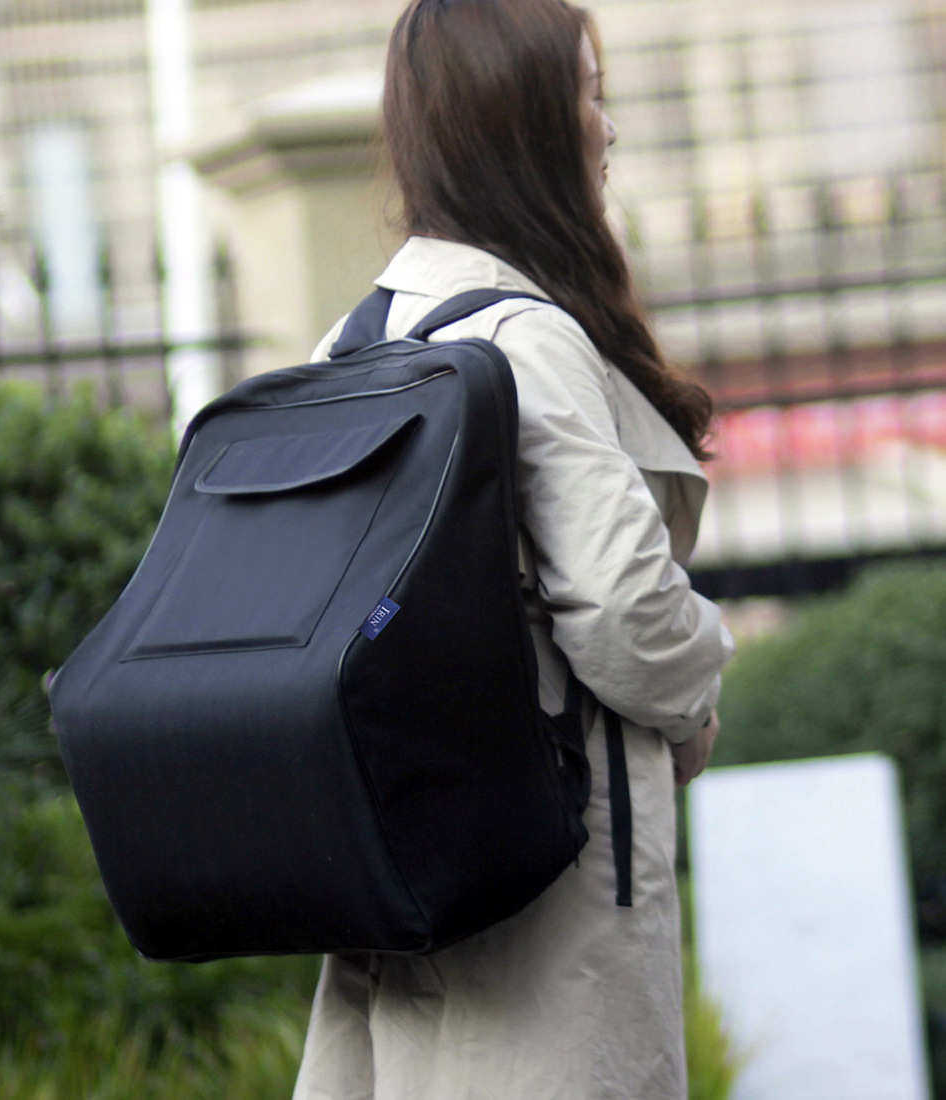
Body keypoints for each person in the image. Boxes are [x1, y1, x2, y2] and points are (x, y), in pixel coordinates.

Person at [293, 1, 735, 1096]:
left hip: (411, 865)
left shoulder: (355, 339)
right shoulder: (522, 337)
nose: (607, 127)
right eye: (589, 94)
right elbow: (627, 609)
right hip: (548, 880)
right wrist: (697, 693)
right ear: (526, 122)